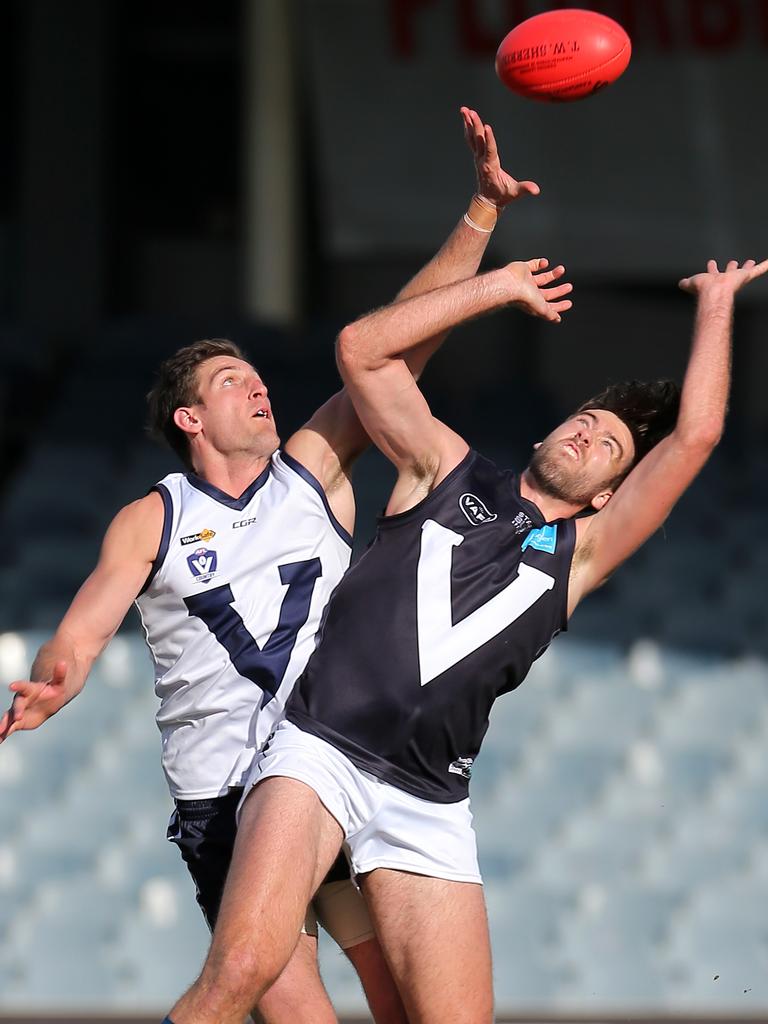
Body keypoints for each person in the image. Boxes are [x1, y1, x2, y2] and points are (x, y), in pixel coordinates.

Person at [1, 109, 542, 1023]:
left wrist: (481, 214)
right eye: (229, 381)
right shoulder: (155, 518)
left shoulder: (311, 474)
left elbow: (397, 348)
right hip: (226, 793)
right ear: (189, 421)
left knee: (404, 1003)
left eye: (256, 376)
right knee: (275, 1003)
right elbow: (85, 629)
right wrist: (53, 681)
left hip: (331, 766)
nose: (256, 386)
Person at [162, 250, 768, 1024]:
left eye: (606, 447)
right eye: (583, 421)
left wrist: (717, 302)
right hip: (320, 750)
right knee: (241, 967)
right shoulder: (445, 468)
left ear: (611, 493)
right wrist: (497, 287)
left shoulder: (581, 556)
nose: (585, 437)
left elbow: (697, 437)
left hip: (428, 801)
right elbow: (360, 351)